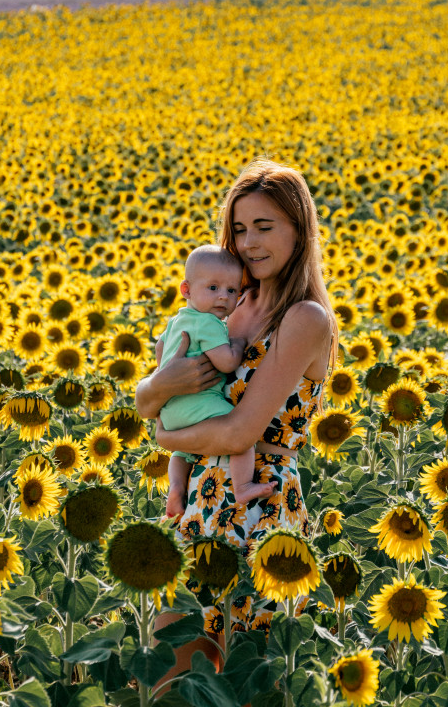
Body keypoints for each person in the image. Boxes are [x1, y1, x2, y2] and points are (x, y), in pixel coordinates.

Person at [135, 158, 337, 669]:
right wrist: (158, 388)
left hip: (258, 503)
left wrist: (164, 435)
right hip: (200, 494)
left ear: (300, 231)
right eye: (240, 228)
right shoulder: (229, 305)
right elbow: (149, 396)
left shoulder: (305, 318)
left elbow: (242, 430)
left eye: (265, 227)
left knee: (247, 677)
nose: (249, 242)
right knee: (175, 674)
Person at [157, 244, 276, 516]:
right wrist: (237, 345)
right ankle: (244, 485)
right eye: (213, 288)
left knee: (180, 454)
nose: (223, 297)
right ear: (186, 290)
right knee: (240, 436)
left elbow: (160, 350)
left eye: (231, 290)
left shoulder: (178, 320)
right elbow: (226, 362)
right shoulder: (208, 323)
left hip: (171, 410)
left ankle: (176, 487)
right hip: (200, 404)